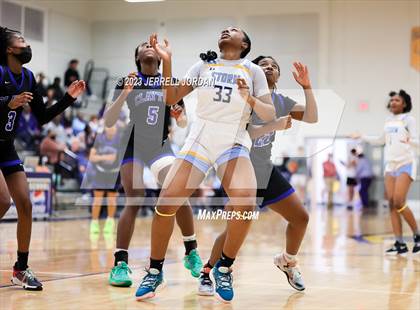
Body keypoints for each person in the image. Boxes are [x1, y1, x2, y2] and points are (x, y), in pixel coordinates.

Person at [135, 28, 276, 302]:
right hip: (200, 138)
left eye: (234, 30)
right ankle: (155, 270)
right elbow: (171, 97)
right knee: (166, 204)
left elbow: (269, 113)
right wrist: (168, 61)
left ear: (244, 44)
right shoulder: (203, 65)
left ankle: (224, 266)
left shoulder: (252, 70)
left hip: (232, 140)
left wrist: (250, 99)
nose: (226, 31)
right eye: (224, 29)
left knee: (246, 204)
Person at [198, 56, 317, 296]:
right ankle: (207, 272)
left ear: (278, 75)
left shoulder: (281, 102)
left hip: (265, 170)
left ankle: (288, 261)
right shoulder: (240, 97)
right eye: (263, 65)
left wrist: (306, 86)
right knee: (235, 228)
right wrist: (273, 126)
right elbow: (244, 135)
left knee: (301, 218)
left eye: (274, 65)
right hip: (238, 168)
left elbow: (313, 116)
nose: (269, 67)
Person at [102, 41, 202, 288]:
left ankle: (191, 251)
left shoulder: (169, 81)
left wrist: (180, 117)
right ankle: (120, 264)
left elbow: (182, 122)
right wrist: (125, 93)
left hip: (159, 144)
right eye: (143, 46)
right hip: (133, 143)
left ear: (159, 56)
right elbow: (108, 120)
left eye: (151, 45)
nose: (148, 47)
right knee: (134, 198)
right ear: (137, 57)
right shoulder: (126, 80)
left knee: (176, 192)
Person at [0, 26, 85, 290]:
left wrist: (67, 99)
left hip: (7, 148)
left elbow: (43, 117)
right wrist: (7, 103)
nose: (27, 44)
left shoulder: (27, 77)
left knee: (25, 205)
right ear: (9, 49)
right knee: (3, 202)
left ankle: (21, 269)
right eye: (22, 40)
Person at [355, 90, 419, 255]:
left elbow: (418, 141)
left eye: (397, 100)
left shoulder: (409, 120)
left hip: (406, 163)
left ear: (404, 103)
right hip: (390, 166)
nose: (393, 103)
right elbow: (380, 140)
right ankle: (399, 243)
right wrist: (362, 136)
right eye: (391, 101)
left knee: (399, 201)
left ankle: (417, 235)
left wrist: (410, 141)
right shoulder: (388, 121)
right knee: (391, 203)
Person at [88, 125, 121, 235]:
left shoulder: (120, 139)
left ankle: (110, 222)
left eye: (113, 127)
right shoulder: (99, 140)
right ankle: (94, 223)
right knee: (98, 199)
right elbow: (92, 157)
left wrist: (102, 157)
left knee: (112, 200)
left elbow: (119, 157)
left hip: (114, 173)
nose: (111, 129)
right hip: (100, 172)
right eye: (109, 127)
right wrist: (106, 158)